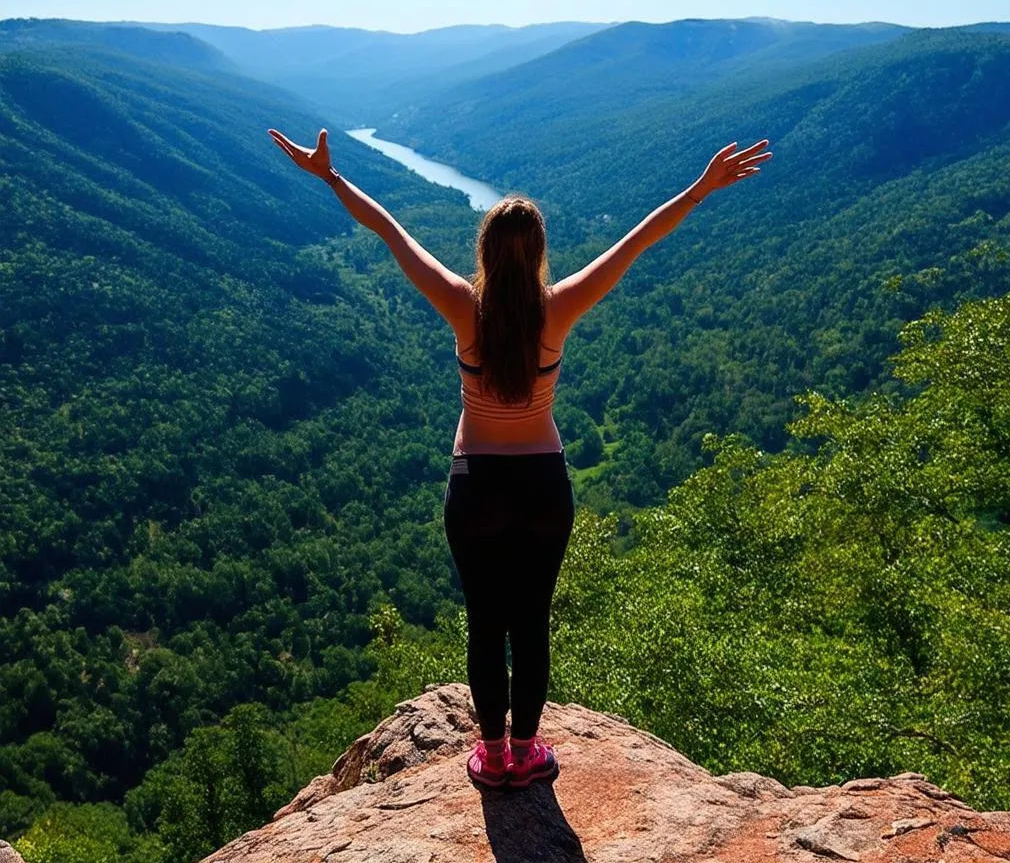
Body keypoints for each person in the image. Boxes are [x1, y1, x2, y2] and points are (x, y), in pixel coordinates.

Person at [268, 126, 771, 790]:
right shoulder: (557, 310)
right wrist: (702, 188)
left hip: (475, 484)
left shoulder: (459, 304)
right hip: (541, 485)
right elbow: (640, 240)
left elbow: (389, 232)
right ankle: (527, 752)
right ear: (538, 256)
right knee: (531, 623)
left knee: (486, 622)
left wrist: (331, 179)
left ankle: (494, 754)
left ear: (484, 251)